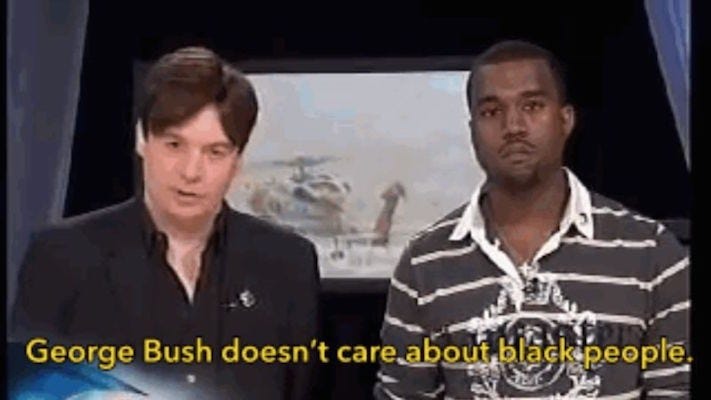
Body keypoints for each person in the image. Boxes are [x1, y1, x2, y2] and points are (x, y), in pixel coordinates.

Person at [375, 40, 690, 399]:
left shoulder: (651, 254)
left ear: (566, 119)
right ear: (473, 130)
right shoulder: (423, 264)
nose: (513, 126)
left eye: (532, 106)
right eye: (492, 111)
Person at [12, 46, 321, 399]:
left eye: (215, 152)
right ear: (142, 139)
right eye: (174, 145)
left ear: (237, 161)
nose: (191, 172)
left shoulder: (288, 265)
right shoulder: (61, 256)